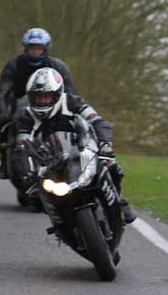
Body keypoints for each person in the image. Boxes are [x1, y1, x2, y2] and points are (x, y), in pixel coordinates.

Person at [14, 67, 137, 224]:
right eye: (38, 98)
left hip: (82, 147)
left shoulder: (72, 102)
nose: (42, 102)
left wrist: (105, 145)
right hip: (49, 159)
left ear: (58, 94)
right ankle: (61, 222)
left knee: (110, 165)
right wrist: (27, 174)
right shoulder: (26, 116)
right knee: (36, 200)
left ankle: (121, 201)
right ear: (30, 97)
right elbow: (21, 147)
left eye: (47, 97)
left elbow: (98, 122)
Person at [0, 27, 76, 178]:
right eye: (32, 48)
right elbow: (1, 93)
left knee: (73, 126)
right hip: (20, 106)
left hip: (52, 105)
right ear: (26, 48)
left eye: (39, 48)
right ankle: (5, 160)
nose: (35, 52)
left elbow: (70, 93)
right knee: (0, 128)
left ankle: (71, 160)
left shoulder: (59, 66)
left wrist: (71, 110)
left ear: (45, 48)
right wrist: (4, 114)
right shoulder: (14, 65)